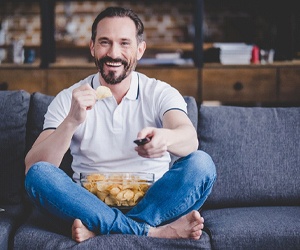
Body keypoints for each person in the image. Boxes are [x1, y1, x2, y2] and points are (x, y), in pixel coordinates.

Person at [25, 6, 216, 243]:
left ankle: (104, 228)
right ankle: (149, 232)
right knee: (39, 175)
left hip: (154, 203)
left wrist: (165, 139)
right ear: (92, 46)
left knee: (202, 163)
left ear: (140, 49)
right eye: (105, 42)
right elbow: (34, 167)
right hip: (88, 204)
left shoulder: (159, 92)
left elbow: (189, 138)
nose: (113, 53)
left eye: (124, 43)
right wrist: (71, 121)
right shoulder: (69, 98)